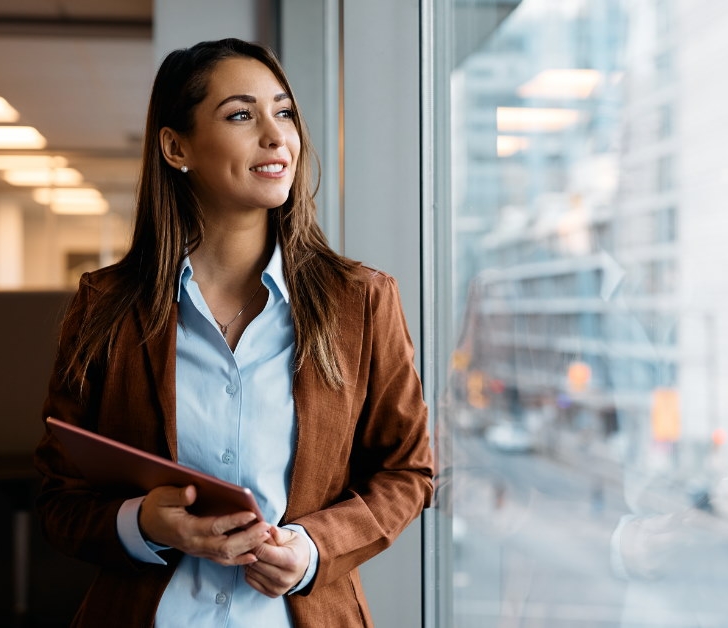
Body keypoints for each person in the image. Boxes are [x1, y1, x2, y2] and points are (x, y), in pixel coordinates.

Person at [33, 38, 434, 627]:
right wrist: (143, 523)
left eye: (286, 113)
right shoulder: (106, 307)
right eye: (242, 115)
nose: (277, 137)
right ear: (176, 147)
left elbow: (408, 470)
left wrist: (312, 548)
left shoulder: (361, 302)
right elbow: (56, 497)